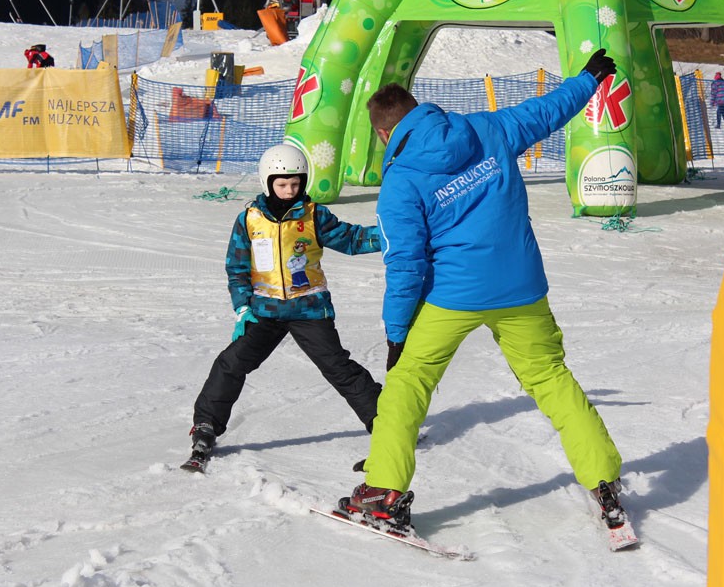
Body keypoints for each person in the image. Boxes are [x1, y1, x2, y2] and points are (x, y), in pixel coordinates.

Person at [340, 49, 627, 532]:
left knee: (407, 384)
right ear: (419, 110)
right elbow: (545, 112)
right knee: (550, 377)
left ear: (385, 134)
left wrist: (397, 333)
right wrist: (587, 80)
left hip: (453, 295)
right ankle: (604, 480)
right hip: (522, 287)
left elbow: (405, 263)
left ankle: (384, 491)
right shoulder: (485, 129)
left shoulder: (401, 181)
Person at [185, 143, 383, 468]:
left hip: (309, 309)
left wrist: (391, 236)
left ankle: (387, 423)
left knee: (338, 368)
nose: (289, 190)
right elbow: (237, 268)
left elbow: (351, 239)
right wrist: (242, 307)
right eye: (282, 184)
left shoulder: (314, 215)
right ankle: (206, 425)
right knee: (230, 363)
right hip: (264, 312)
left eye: (295, 183)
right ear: (268, 183)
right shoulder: (249, 220)